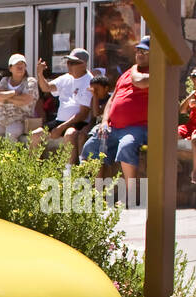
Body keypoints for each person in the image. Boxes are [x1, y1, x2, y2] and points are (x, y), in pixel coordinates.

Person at [81, 36, 151, 194]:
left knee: (126, 146)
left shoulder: (155, 72)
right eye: (138, 50)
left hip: (136, 127)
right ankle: (96, 192)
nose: (139, 54)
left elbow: (139, 81)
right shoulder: (125, 74)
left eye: (144, 51)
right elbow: (112, 100)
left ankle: (130, 194)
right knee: (92, 146)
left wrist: (134, 69)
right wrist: (105, 121)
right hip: (112, 127)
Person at [30, 48, 93, 151]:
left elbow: (83, 114)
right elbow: (46, 88)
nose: (69, 65)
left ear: (84, 64)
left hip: (78, 123)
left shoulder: (89, 81)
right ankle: (33, 166)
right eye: (68, 62)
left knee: (69, 134)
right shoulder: (66, 77)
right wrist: (40, 74)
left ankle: (68, 167)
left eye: (73, 63)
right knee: (35, 134)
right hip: (59, 121)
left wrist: (60, 128)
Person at [0, 54, 38, 142]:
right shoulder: (4, 80)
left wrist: (5, 97)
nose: (20, 67)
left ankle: (12, 156)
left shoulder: (30, 81)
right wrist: (14, 92)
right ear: (10, 68)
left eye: (22, 65)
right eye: (17, 65)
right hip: (1, 122)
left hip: (20, 121)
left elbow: (25, 100)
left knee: (10, 134)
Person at [66, 73, 112, 164]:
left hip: (105, 127)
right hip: (94, 124)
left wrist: (94, 96)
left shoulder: (109, 100)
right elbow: (93, 118)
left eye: (97, 89)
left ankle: (88, 161)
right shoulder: (93, 100)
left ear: (106, 88)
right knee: (81, 135)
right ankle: (81, 161)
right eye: (93, 89)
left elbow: (96, 114)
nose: (94, 92)